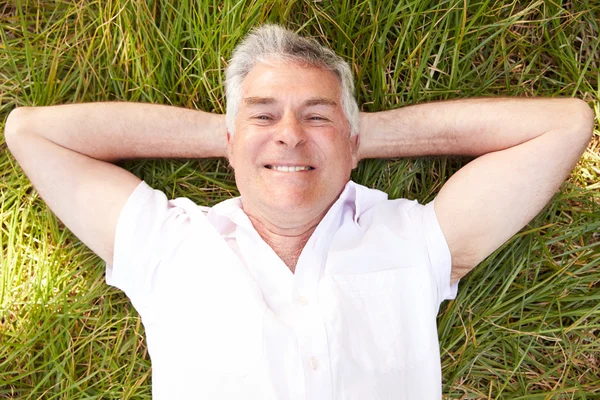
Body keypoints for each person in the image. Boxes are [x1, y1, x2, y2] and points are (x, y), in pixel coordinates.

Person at [4, 24, 593, 400]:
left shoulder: (411, 239)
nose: (288, 135)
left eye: (315, 115)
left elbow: (564, 124)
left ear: (354, 141)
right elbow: (31, 132)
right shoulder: (167, 243)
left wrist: (350, 135)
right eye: (264, 115)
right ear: (229, 139)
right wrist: (253, 135)